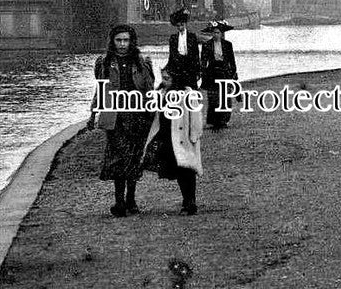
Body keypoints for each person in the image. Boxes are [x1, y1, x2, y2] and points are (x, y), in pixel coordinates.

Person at [88, 24, 155, 217]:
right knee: (119, 158)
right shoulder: (104, 63)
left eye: (126, 40)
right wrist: (93, 114)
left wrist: (153, 112)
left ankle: (131, 200)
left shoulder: (142, 63)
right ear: (112, 42)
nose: (122, 44)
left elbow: (149, 89)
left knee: (134, 158)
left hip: (137, 116)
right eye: (119, 40)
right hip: (115, 117)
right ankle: (119, 201)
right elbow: (100, 90)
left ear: (131, 42)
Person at [143, 64, 204, 215]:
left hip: (183, 137)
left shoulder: (188, 94)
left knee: (187, 169)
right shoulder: (162, 92)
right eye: (163, 78)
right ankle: (186, 200)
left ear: (176, 78)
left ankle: (190, 201)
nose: (164, 81)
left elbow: (196, 117)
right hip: (168, 136)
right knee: (178, 167)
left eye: (167, 78)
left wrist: (194, 135)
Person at [199, 21, 238, 129]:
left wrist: (233, 74)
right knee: (213, 98)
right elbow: (203, 61)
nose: (215, 35)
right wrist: (203, 74)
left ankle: (223, 120)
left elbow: (232, 61)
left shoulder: (228, 45)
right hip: (212, 72)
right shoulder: (207, 45)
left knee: (225, 97)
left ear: (221, 34)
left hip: (224, 72)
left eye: (217, 33)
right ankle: (213, 121)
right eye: (214, 32)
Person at [166, 8, 200, 89]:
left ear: (185, 24)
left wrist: (198, 71)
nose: (180, 27)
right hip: (177, 68)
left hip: (190, 67)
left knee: (191, 91)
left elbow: (196, 55)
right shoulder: (173, 38)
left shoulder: (192, 37)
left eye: (182, 25)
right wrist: (169, 70)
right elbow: (171, 55)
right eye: (178, 26)